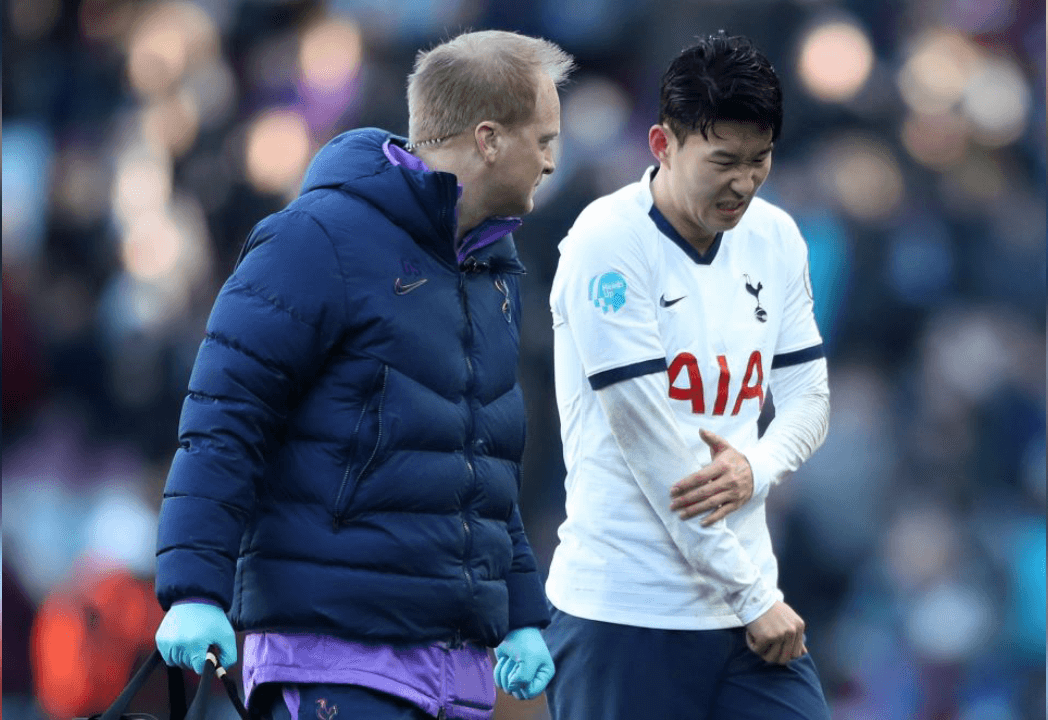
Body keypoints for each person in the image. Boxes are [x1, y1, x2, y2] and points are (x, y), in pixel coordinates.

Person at [152, 30, 574, 720]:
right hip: (335, 664)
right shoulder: (315, 239)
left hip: (456, 678)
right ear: (490, 139)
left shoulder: (493, 272)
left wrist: (520, 611)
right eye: (544, 139)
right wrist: (194, 590)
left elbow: (478, 464)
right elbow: (224, 420)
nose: (553, 161)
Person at [543, 33, 832, 719]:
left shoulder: (776, 237)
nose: (744, 183)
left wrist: (755, 468)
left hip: (745, 612)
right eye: (723, 161)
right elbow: (656, 451)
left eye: (759, 159)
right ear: (662, 145)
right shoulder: (606, 244)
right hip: (624, 613)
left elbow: (809, 396)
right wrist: (754, 597)